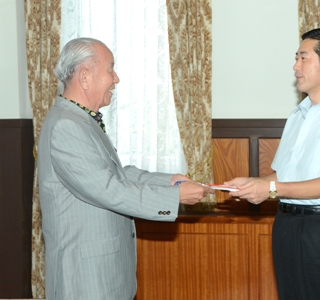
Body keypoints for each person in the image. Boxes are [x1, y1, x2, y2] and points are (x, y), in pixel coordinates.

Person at [38, 37, 213, 300]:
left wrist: (168, 180)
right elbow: (108, 190)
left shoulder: (80, 120)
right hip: (86, 277)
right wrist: (174, 198)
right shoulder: (67, 126)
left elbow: (115, 174)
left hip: (100, 273)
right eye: (110, 68)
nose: (116, 78)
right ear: (85, 77)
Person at [225, 28, 320, 300]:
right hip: (286, 223)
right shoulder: (298, 114)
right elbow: (281, 174)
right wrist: (252, 184)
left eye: (303, 58)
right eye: (296, 58)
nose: (295, 66)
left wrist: (270, 190)